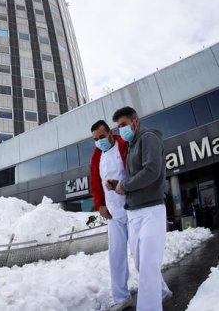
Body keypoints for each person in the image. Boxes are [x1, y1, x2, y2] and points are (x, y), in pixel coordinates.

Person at [109, 106, 172, 311]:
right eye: (118, 127)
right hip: (134, 213)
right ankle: (161, 292)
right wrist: (119, 183)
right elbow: (132, 178)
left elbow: (152, 171)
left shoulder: (149, 138)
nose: (121, 130)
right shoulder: (131, 147)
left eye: (124, 125)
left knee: (147, 268)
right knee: (141, 266)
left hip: (151, 211)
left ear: (135, 122)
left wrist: (124, 185)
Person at [89, 120, 131, 310]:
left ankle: (159, 290)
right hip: (113, 214)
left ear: (110, 132)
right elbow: (96, 184)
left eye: (102, 137)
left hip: (132, 208)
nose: (99, 142)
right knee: (116, 256)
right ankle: (122, 297)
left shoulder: (125, 145)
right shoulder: (97, 156)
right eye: (96, 139)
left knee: (141, 255)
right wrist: (99, 206)